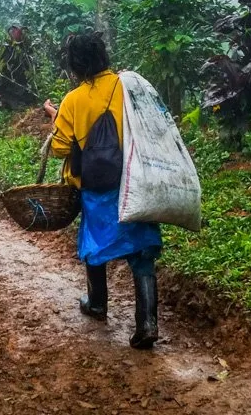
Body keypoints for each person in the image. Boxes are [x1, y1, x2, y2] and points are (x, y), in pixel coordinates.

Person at [44, 30, 162, 349]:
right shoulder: (128, 86)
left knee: (94, 244)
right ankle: (147, 322)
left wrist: (57, 120)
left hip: (97, 187)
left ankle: (97, 303)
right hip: (135, 181)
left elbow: (58, 149)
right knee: (142, 251)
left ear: (75, 64)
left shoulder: (73, 100)